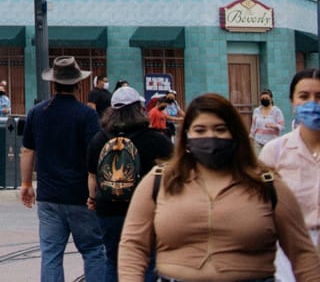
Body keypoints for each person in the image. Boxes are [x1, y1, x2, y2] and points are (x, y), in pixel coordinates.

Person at [118, 92, 320, 282]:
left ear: (235, 135)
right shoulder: (160, 181)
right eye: (200, 130)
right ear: (187, 136)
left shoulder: (267, 184)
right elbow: (133, 245)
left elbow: (302, 253)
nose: (210, 136)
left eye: (220, 129)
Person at [22, 55, 109, 282]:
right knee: (93, 251)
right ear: (78, 84)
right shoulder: (87, 115)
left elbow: (28, 151)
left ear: (53, 83)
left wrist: (26, 184)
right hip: (81, 196)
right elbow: (95, 154)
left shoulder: (36, 113)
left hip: (49, 197)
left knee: (50, 254)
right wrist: (95, 192)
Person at [86, 83, 171, 282]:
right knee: (148, 260)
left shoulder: (99, 139)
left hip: (108, 210)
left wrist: (92, 198)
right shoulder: (155, 139)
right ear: (140, 109)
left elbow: (92, 175)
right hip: (146, 210)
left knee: (113, 261)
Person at [259, 68, 320, 282]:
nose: (312, 103)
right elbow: (261, 205)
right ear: (292, 101)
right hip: (288, 252)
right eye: (304, 96)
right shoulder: (275, 152)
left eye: (319, 97)